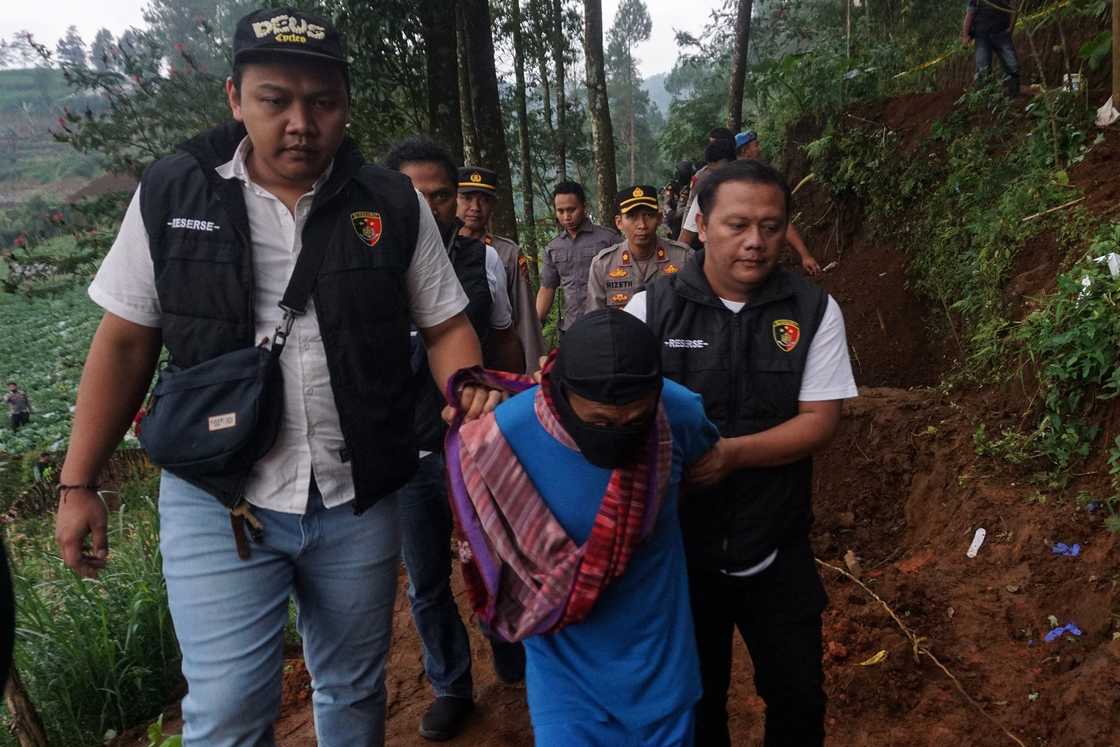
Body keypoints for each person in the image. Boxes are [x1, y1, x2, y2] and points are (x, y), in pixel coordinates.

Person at [53, 8, 502, 746]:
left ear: (346, 107)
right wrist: (79, 482)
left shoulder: (389, 202)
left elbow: (446, 323)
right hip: (218, 495)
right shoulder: (176, 193)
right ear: (235, 98)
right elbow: (128, 341)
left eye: (322, 103)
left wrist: (467, 399)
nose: (301, 122)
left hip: (356, 493)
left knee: (354, 690)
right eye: (276, 100)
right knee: (227, 711)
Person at [625, 159, 858, 746]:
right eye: (737, 225)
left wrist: (731, 455)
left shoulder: (812, 310)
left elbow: (820, 423)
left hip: (777, 545)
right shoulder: (649, 311)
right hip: (679, 555)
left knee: (798, 699)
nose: (756, 242)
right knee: (697, 706)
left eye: (772, 226)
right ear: (701, 224)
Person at [445, 309, 724, 747]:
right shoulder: (502, 438)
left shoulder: (677, 413)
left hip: (661, 677)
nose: (618, 433)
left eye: (635, 420)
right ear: (559, 393)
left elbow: (707, 467)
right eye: (599, 422)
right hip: (565, 687)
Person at [382, 136, 520, 741]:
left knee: (496, 559)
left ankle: (511, 644)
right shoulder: (364, 269)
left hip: (475, 447)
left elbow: (506, 342)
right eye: (415, 194)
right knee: (427, 578)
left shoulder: (484, 261)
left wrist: (512, 408)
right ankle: (451, 685)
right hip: (405, 455)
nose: (432, 206)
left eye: (443, 195)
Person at [680, 134, 822, 277]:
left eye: (714, 169)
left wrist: (805, 255)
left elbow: (781, 223)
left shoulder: (759, 188)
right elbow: (684, 240)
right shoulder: (709, 193)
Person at [458, 166, 544, 371]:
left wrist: (532, 375)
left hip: (496, 362)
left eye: (484, 200)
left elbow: (524, 317)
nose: (476, 207)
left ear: (493, 206)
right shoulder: (438, 248)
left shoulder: (507, 253)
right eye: (467, 198)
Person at [587, 185, 692, 311]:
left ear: (659, 219)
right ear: (619, 222)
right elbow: (596, 321)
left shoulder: (684, 259)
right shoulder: (603, 265)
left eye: (648, 215)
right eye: (632, 216)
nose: (642, 225)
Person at [535, 180, 618, 334]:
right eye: (560, 211)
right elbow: (547, 288)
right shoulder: (553, 248)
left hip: (606, 325)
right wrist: (535, 323)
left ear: (584, 207)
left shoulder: (608, 239)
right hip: (571, 327)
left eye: (571, 210)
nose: (566, 216)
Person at [961, 0, 1020, 98]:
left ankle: (1013, 95)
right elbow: (970, 14)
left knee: (1012, 64)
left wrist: (1010, 29)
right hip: (982, 35)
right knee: (983, 68)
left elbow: (1014, 9)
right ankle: (985, 97)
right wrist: (965, 35)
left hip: (1001, 33)